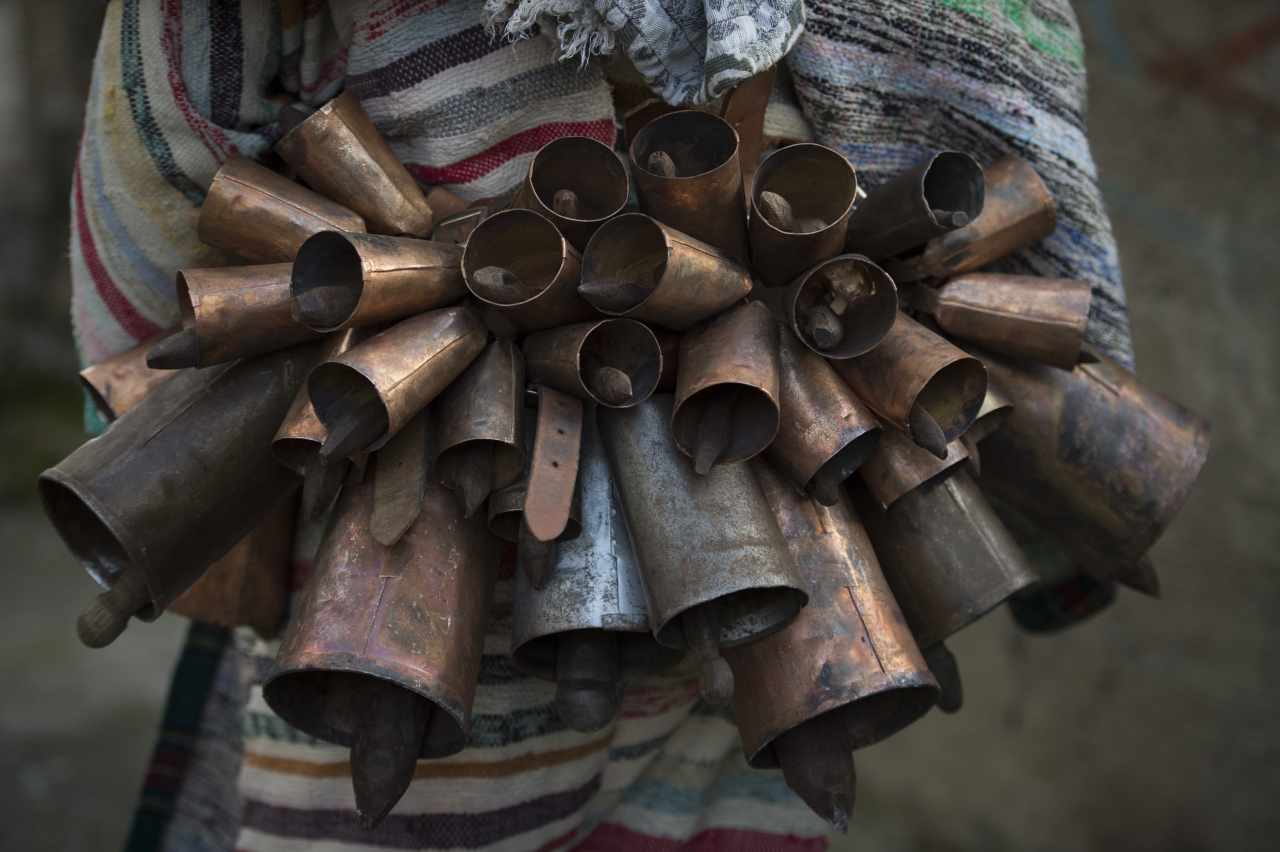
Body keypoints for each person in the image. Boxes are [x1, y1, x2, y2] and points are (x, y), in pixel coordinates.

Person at [72, 1, 1131, 849]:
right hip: (741, 501)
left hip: (736, 494)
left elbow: (161, 182)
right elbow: (1003, 91)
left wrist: (160, 420)